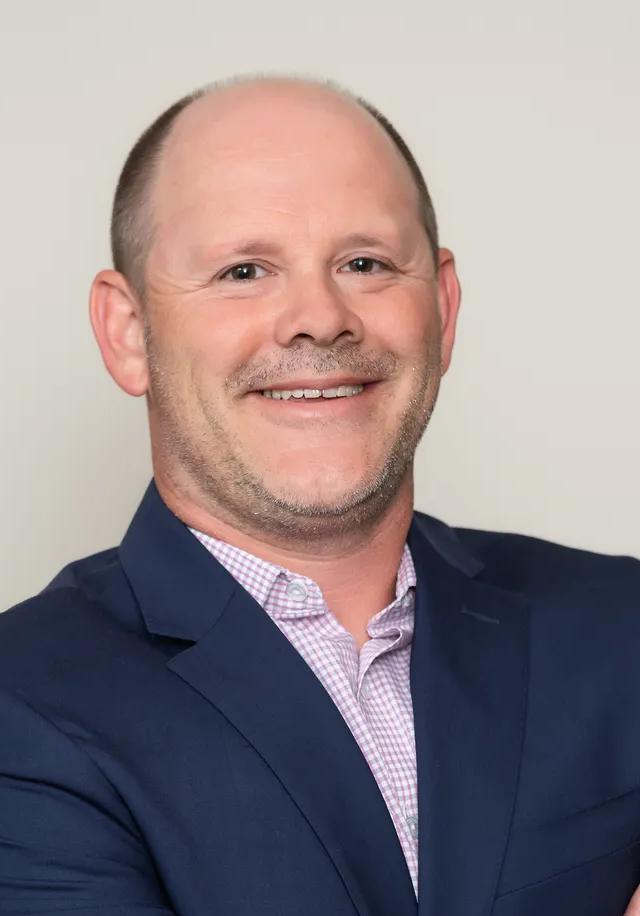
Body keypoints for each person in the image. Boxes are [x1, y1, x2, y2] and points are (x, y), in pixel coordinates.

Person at [1, 75, 639, 916]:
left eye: (364, 263)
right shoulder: (23, 704)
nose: (319, 317)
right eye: (243, 270)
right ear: (129, 333)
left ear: (442, 307)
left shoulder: (620, 623)